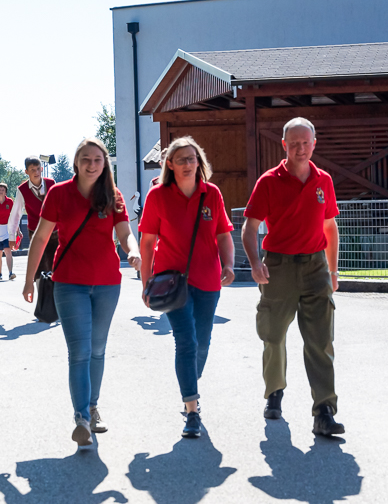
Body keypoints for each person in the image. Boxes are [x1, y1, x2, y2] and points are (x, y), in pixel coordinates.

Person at [22, 137, 141, 447]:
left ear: (105, 164)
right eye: (86, 159)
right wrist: (29, 279)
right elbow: (40, 237)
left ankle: (93, 407)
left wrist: (133, 251)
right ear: (76, 162)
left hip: (107, 283)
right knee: (80, 351)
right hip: (69, 283)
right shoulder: (59, 194)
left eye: (97, 160)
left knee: (97, 349)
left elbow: (125, 232)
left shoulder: (113, 195)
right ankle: (82, 419)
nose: (91, 164)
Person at [241, 117, 343, 437]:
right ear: (284, 145)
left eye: (306, 143)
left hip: (315, 267)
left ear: (314, 144)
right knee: (273, 336)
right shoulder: (269, 182)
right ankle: (274, 392)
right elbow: (249, 228)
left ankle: (324, 410)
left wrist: (333, 270)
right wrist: (255, 263)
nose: (301, 148)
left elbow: (330, 228)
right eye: (294, 143)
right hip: (278, 267)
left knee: (321, 341)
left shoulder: (324, 180)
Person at [139, 136, 235, 439]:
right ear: (170, 164)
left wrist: (229, 265)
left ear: (199, 162)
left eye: (192, 159)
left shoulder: (212, 194)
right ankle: (192, 409)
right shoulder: (158, 196)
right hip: (171, 282)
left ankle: (189, 385)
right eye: (181, 159)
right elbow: (147, 242)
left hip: (208, 280)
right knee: (186, 342)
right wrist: (146, 282)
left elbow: (223, 234)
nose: (187, 164)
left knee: (202, 343)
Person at [8, 156, 57, 282]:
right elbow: (15, 214)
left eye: (38, 169)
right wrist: (12, 236)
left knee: (56, 265)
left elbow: (61, 206)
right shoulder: (22, 190)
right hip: (35, 231)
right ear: (26, 172)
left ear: (42, 169)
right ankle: (42, 291)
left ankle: (56, 291)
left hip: (54, 231)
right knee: (39, 265)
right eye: (32, 170)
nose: (36, 172)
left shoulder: (51, 183)